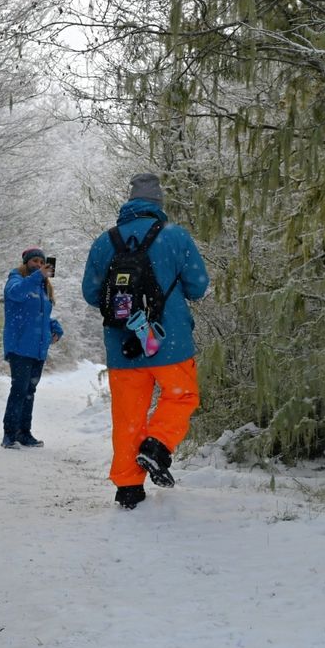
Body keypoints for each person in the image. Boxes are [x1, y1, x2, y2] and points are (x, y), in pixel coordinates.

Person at [82, 173, 210, 510]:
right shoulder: (175, 237)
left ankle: (127, 487)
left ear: (129, 204)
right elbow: (198, 286)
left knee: (128, 416)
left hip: (123, 348)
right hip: (170, 342)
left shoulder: (103, 242)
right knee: (182, 397)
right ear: (158, 205)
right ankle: (156, 445)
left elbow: (91, 294)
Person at [1, 247, 64, 449]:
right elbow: (15, 294)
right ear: (26, 262)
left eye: (41, 261)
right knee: (19, 389)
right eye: (35, 261)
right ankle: (9, 435)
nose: (38, 264)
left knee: (29, 391)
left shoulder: (43, 287)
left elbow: (40, 316)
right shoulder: (16, 279)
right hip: (20, 346)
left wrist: (55, 327)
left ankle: (24, 433)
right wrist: (38, 276)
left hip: (38, 348)